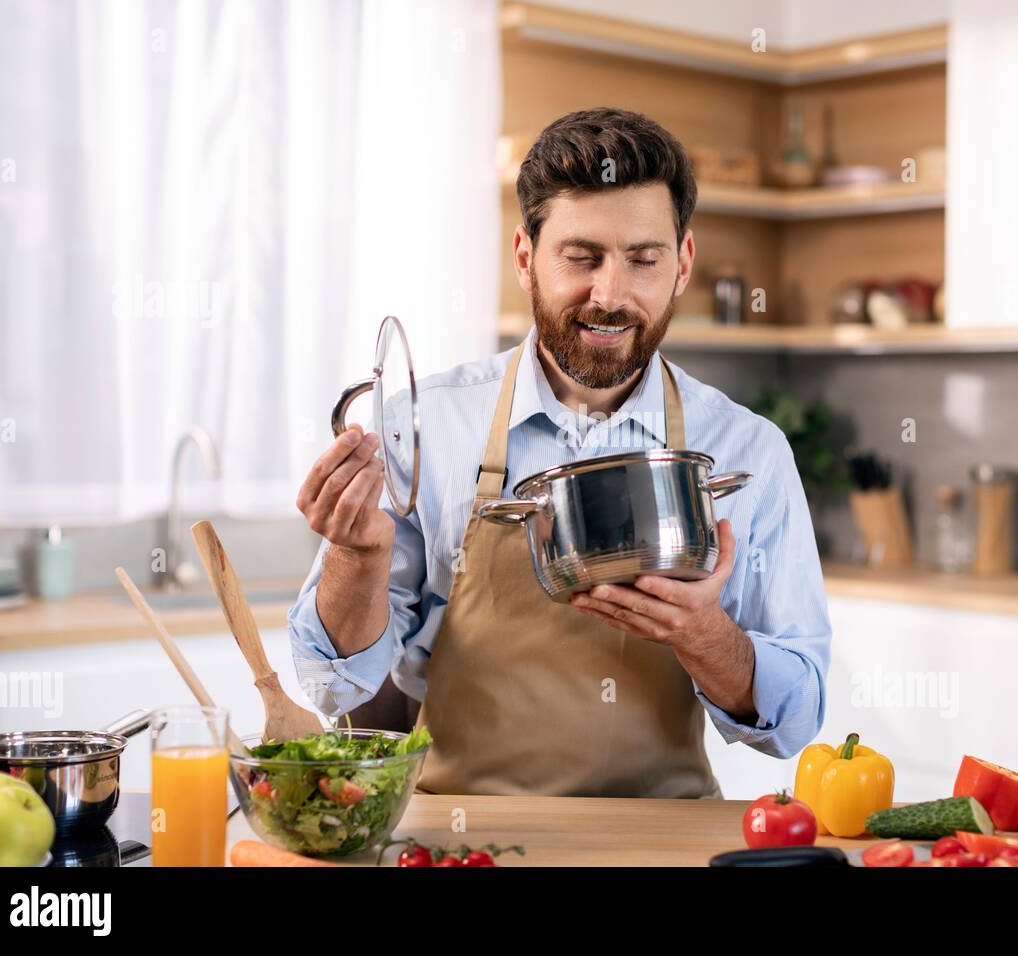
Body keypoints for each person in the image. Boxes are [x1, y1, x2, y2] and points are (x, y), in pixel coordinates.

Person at [289, 107, 831, 798]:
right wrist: (354, 558)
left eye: (643, 259)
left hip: (660, 844)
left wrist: (707, 636)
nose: (610, 295)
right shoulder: (429, 427)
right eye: (581, 258)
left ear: (683, 263)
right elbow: (333, 685)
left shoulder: (746, 447)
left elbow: (795, 721)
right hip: (463, 841)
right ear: (525, 257)